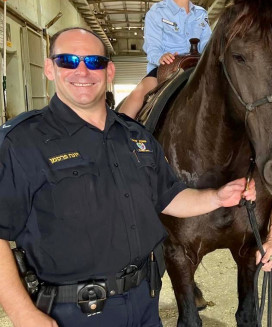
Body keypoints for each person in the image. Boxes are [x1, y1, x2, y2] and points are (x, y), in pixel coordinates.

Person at [0, 27, 255, 327]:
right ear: (49, 68)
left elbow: (168, 196)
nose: (82, 71)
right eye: (68, 60)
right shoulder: (21, 142)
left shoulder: (135, 135)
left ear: (109, 71)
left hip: (143, 303)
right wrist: (22, 312)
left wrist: (216, 196)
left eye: (93, 62)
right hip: (71, 313)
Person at [119, 0, 212, 119]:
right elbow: (152, 47)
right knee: (137, 95)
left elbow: (208, 45)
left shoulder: (201, 14)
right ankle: (119, 136)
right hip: (165, 69)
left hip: (197, 67)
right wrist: (161, 57)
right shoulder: (156, 13)